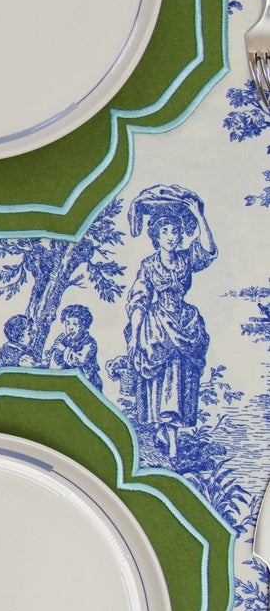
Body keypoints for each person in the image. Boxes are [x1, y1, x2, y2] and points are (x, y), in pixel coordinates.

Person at [124, 185, 216, 462]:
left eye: (176, 232)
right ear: (156, 236)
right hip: (159, 326)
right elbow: (138, 299)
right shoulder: (149, 265)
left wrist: (199, 217)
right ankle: (171, 440)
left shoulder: (186, 260)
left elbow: (209, 251)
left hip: (185, 322)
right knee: (166, 377)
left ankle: (169, 431)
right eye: (165, 232)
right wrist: (136, 333)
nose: (172, 237)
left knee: (182, 378)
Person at [47, 305, 101, 390]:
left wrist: (64, 350)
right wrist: (57, 351)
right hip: (70, 379)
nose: (70, 328)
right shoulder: (67, 340)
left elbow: (80, 360)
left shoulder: (89, 342)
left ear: (84, 326)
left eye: (75, 324)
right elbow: (58, 361)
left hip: (88, 381)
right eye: (68, 324)